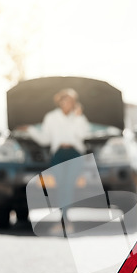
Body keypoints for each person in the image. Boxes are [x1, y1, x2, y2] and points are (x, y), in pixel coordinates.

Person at [24, 88, 91, 233]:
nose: (66, 103)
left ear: (74, 103)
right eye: (64, 100)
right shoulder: (51, 117)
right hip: (58, 154)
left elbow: (82, 135)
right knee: (61, 186)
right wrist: (30, 130)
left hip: (75, 154)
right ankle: (64, 220)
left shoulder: (79, 118)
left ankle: (65, 221)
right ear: (59, 101)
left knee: (68, 185)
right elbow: (45, 139)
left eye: (70, 101)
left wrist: (78, 118)